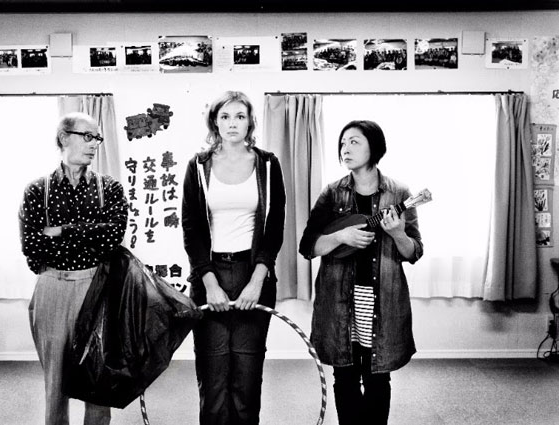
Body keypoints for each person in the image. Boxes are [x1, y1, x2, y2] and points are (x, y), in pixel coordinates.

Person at [299, 120, 423, 425]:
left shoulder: (399, 193)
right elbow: (308, 246)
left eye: (354, 141)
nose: (346, 149)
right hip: (339, 299)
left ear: (374, 147)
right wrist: (341, 237)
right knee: (344, 377)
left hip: (381, 300)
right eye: (343, 143)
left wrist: (397, 234)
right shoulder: (332, 193)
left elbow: (414, 252)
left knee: (378, 377)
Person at [181, 90, 286, 425]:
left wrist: (257, 282)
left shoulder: (267, 164)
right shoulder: (198, 166)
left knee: (246, 377)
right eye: (225, 116)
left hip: (252, 273)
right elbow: (192, 229)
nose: (232, 123)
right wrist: (209, 283)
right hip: (210, 274)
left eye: (240, 116)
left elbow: (275, 227)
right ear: (215, 122)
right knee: (213, 377)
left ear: (250, 122)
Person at [18, 112, 128, 425]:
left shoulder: (110, 188)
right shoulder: (37, 190)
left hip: (96, 285)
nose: (94, 144)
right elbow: (32, 245)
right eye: (87, 136)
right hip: (52, 286)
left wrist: (62, 231)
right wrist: (90, 233)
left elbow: (112, 237)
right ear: (64, 137)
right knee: (55, 380)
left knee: (99, 377)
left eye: (97, 138)